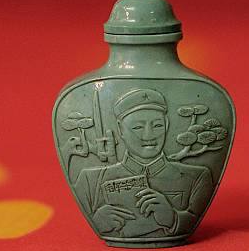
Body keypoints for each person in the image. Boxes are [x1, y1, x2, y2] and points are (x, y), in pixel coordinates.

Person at [75, 88, 213, 238]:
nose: (149, 135)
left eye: (157, 125)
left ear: (167, 124)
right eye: (138, 127)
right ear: (120, 129)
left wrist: (173, 219)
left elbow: (193, 218)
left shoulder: (196, 177)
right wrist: (97, 221)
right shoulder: (90, 181)